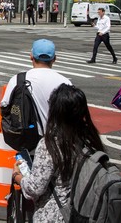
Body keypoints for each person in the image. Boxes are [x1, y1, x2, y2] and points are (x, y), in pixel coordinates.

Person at [12, 84, 105, 222]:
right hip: (85, 211)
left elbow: (35, 188)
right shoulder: (90, 138)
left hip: (56, 215)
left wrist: (17, 176)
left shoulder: (51, 144)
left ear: (56, 112)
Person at [1, 39, 71, 135]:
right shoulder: (65, 82)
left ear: (31, 56)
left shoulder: (18, 79)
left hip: (28, 138)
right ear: (54, 58)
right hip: (57, 139)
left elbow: (5, 106)